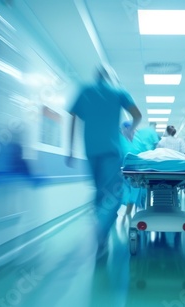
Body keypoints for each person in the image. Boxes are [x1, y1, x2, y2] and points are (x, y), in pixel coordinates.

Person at [67, 66, 142, 255]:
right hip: (111, 150)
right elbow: (137, 115)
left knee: (99, 192)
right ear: (111, 78)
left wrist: (70, 149)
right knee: (114, 194)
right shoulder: (118, 91)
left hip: (90, 149)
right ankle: (101, 230)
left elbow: (73, 118)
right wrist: (129, 130)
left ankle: (100, 231)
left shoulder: (85, 91)